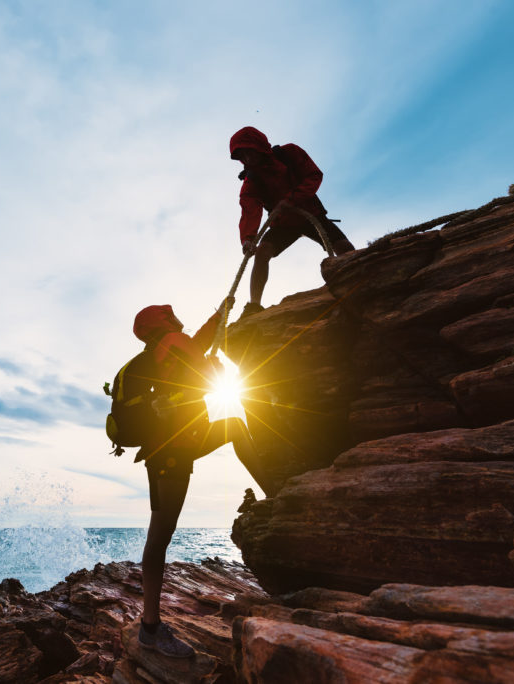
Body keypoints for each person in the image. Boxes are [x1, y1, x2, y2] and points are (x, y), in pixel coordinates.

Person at [130, 298, 278, 658]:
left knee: (235, 427)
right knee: (160, 536)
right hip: (172, 451)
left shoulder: (161, 348)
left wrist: (220, 313)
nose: (175, 314)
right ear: (162, 322)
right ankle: (149, 628)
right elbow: (205, 366)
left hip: (170, 448)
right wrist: (212, 364)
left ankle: (150, 626)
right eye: (169, 313)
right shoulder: (173, 343)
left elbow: (196, 344)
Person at [230, 126, 355, 320]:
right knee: (262, 252)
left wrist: (291, 199)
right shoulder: (251, 180)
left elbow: (313, 175)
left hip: (310, 214)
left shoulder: (289, 154)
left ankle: (358, 278)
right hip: (282, 225)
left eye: (249, 152)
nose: (247, 159)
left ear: (259, 146)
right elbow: (249, 209)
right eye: (242, 156)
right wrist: (248, 238)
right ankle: (254, 305)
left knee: (344, 247)